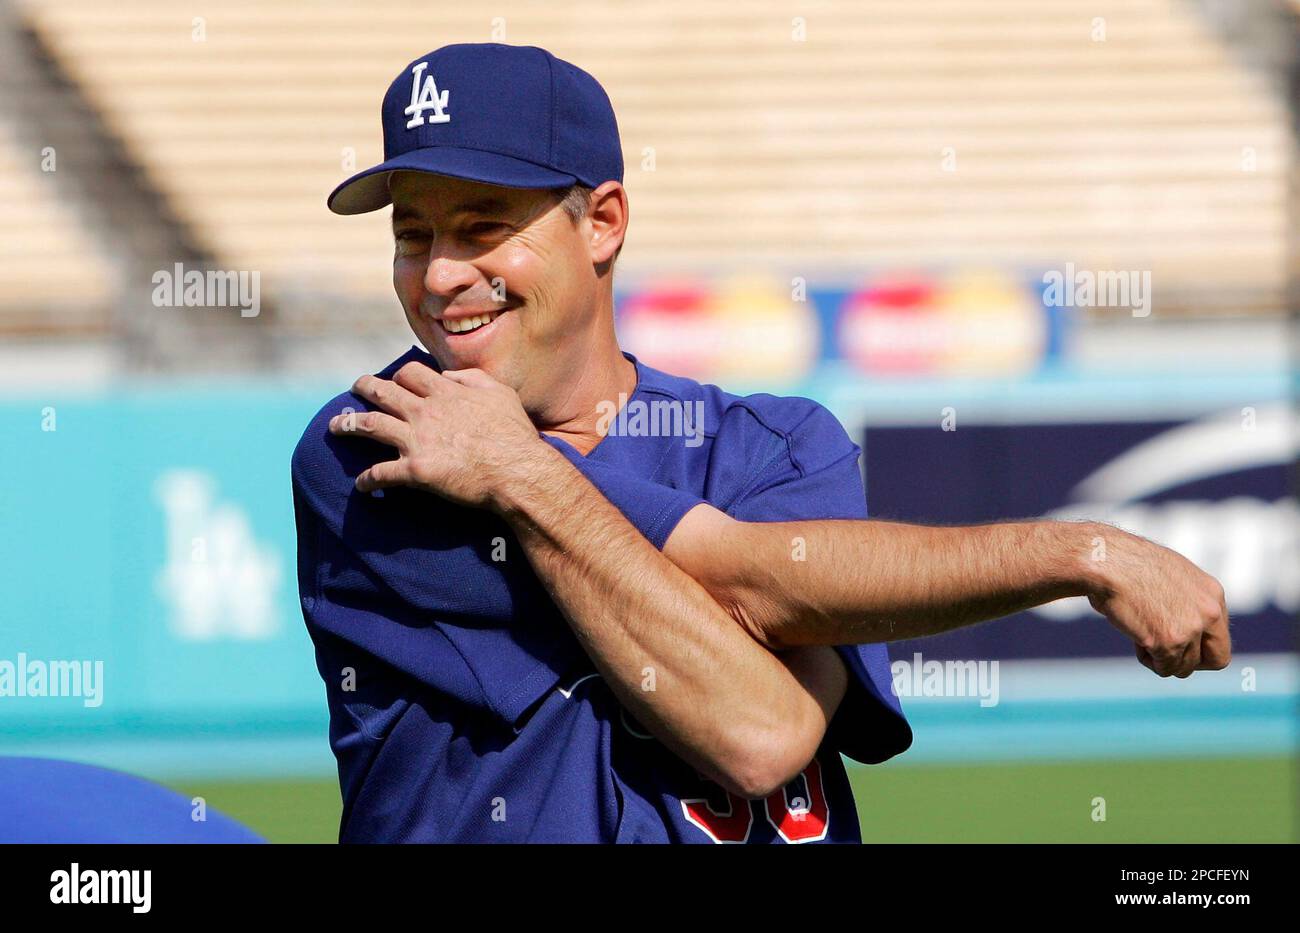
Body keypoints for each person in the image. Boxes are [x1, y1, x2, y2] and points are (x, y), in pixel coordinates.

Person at [292, 43, 1229, 843]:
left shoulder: (776, 446)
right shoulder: (376, 447)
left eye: (484, 226)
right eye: (413, 236)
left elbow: (763, 580)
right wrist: (1074, 554)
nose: (443, 274)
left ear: (604, 222)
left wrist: (521, 477)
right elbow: (759, 730)